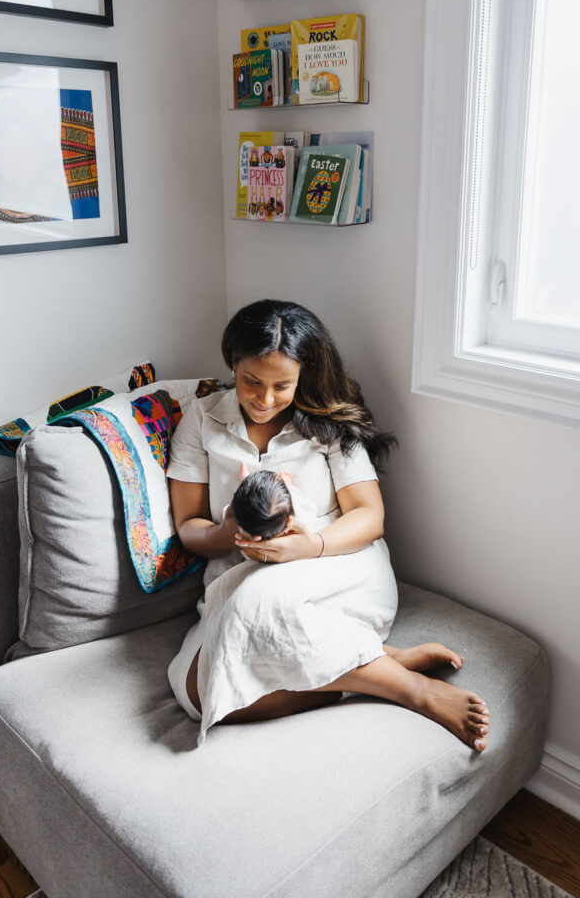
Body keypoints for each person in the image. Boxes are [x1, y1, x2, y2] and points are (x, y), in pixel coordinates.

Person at [166, 299, 490, 749]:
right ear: (233, 364)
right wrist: (230, 534)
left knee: (257, 604)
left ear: (304, 377)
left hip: (336, 564)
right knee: (200, 694)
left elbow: (369, 515)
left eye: (283, 386)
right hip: (239, 578)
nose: (264, 399)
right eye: (251, 381)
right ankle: (372, 664)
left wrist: (308, 545)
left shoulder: (329, 421)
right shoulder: (201, 420)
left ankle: (414, 690)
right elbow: (188, 525)